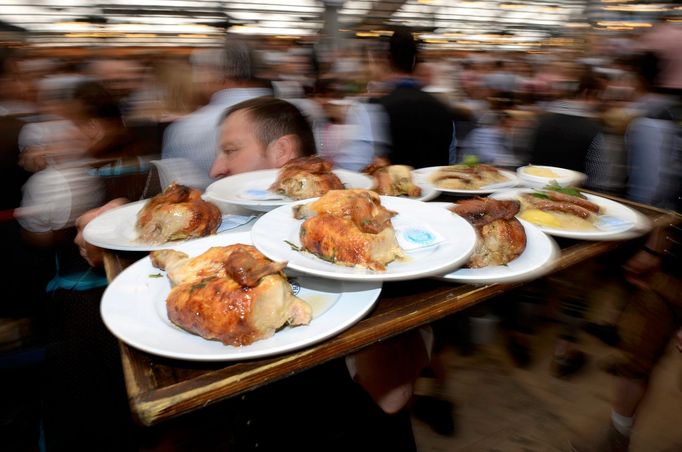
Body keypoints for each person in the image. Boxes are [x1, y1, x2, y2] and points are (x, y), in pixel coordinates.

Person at [76, 96, 427, 451]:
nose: (216, 168)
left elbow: (392, 396)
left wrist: (377, 283)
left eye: (231, 150)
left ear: (282, 152)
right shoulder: (230, 219)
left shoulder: (358, 230)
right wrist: (112, 236)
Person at [160, 41, 272, 188]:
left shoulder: (184, 130)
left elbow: (175, 191)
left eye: (199, 71)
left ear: (215, 75)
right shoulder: (303, 110)